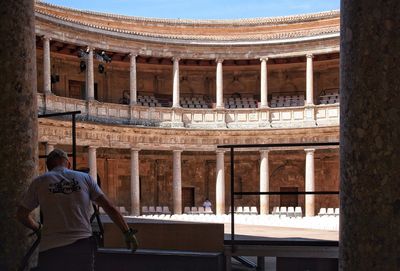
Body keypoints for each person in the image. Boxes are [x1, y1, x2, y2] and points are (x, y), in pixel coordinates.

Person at [16, 149, 138, 271]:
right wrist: (127, 232)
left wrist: (37, 228)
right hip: (81, 245)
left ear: (48, 167)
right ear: (68, 164)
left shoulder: (39, 182)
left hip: (50, 247)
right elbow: (109, 207)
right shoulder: (85, 178)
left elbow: (21, 214)